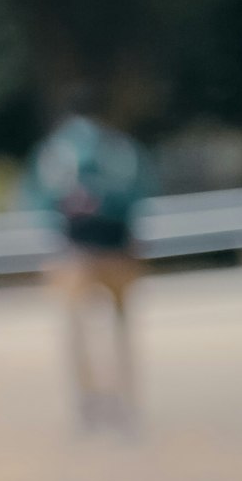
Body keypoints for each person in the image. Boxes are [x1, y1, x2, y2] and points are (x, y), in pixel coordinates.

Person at [29, 100, 148, 427]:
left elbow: (40, 200)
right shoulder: (120, 148)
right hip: (114, 244)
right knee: (119, 328)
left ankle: (91, 401)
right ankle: (123, 398)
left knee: (77, 329)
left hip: (76, 247)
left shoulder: (57, 150)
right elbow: (139, 195)